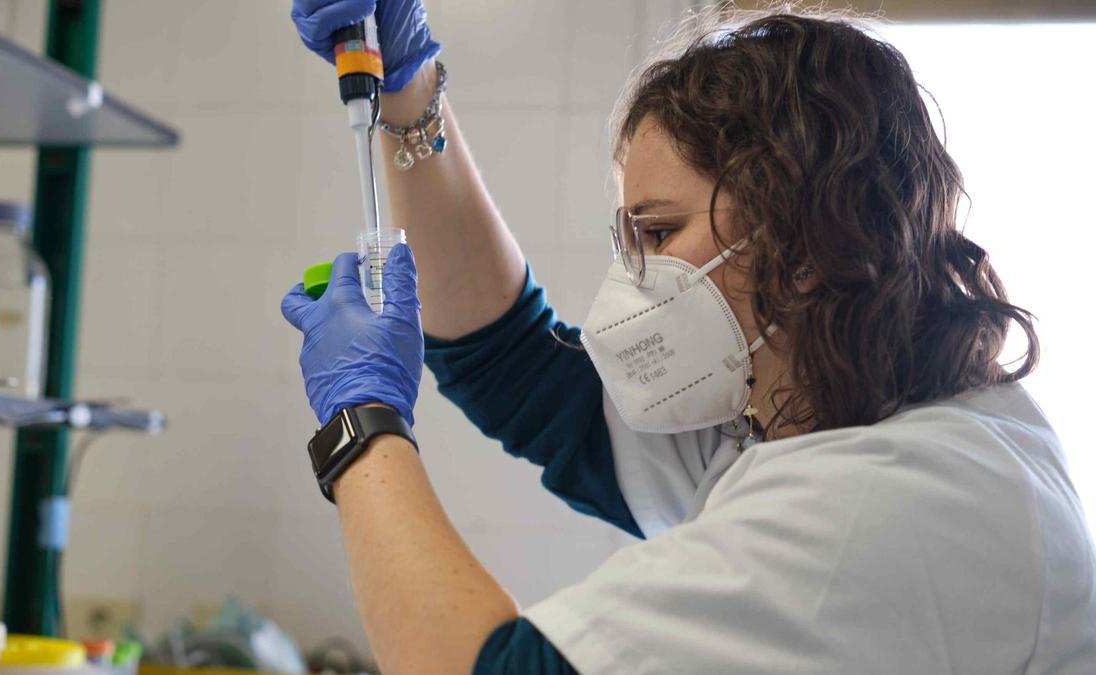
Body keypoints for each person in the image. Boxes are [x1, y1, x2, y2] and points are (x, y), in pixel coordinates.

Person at [281, 3, 1096, 674]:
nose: (635, 276)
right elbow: (522, 372)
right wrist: (410, 91)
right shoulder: (817, 405)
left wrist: (360, 421)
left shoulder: (884, 506)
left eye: (660, 233)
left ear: (806, 243)